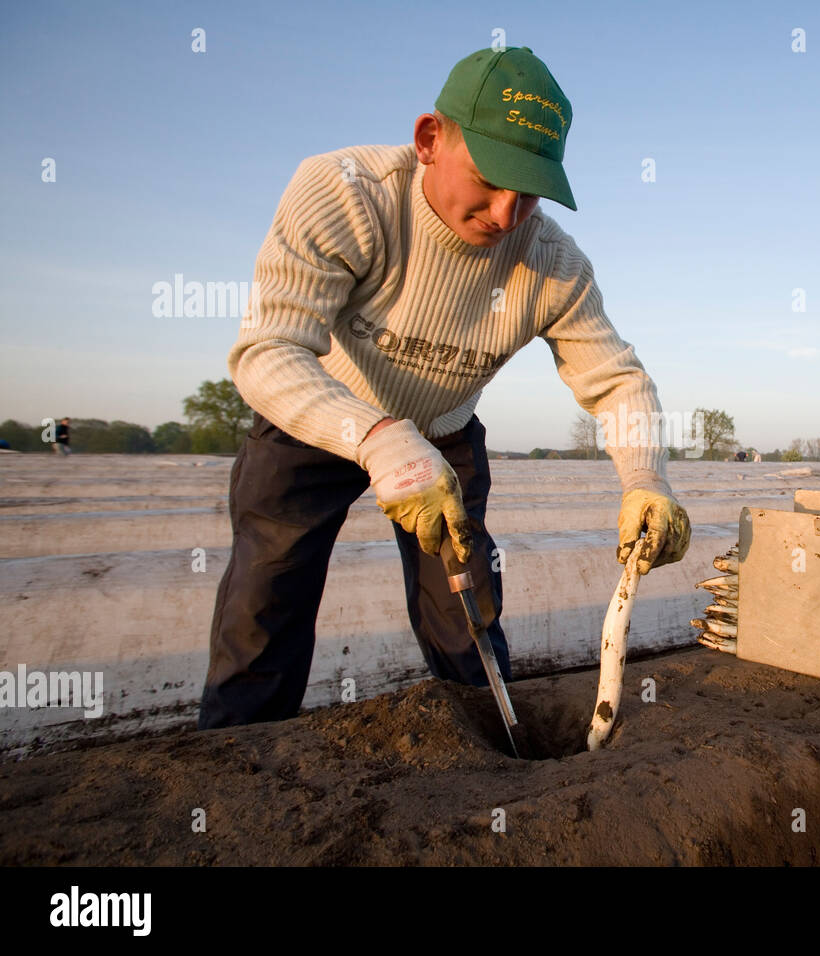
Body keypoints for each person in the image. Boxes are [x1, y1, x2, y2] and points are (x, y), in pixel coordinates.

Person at [198, 47, 691, 729]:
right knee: (265, 606)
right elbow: (269, 352)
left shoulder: (551, 265)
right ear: (430, 139)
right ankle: (231, 769)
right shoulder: (346, 193)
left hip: (444, 434)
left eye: (531, 189)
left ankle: (494, 757)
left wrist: (647, 479)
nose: (507, 211)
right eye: (490, 178)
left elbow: (617, 381)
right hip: (314, 421)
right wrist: (376, 437)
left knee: (467, 616)